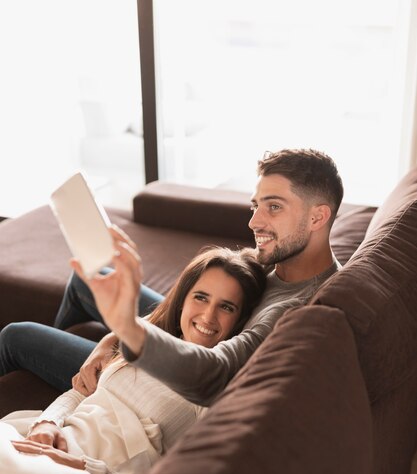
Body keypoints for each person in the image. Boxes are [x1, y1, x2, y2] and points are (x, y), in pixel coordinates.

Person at [0, 148, 343, 450]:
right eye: (256, 206)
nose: (254, 221)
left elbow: (214, 373)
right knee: (85, 280)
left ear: (317, 217)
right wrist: (108, 341)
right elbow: (196, 299)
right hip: (186, 336)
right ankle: (78, 382)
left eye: (274, 207)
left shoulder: (296, 309)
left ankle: (75, 389)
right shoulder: (278, 260)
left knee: (15, 336)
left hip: (165, 388)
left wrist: (126, 330)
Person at [1, 247, 266, 474]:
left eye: (226, 307)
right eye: (200, 298)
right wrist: (47, 422)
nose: (208, 316)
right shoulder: (153, 340)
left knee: (16, 337)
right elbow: (83, 393)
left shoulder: (209, 392)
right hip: (53, 434)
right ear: (183, 299)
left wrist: (84, 467)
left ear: (241, 320)